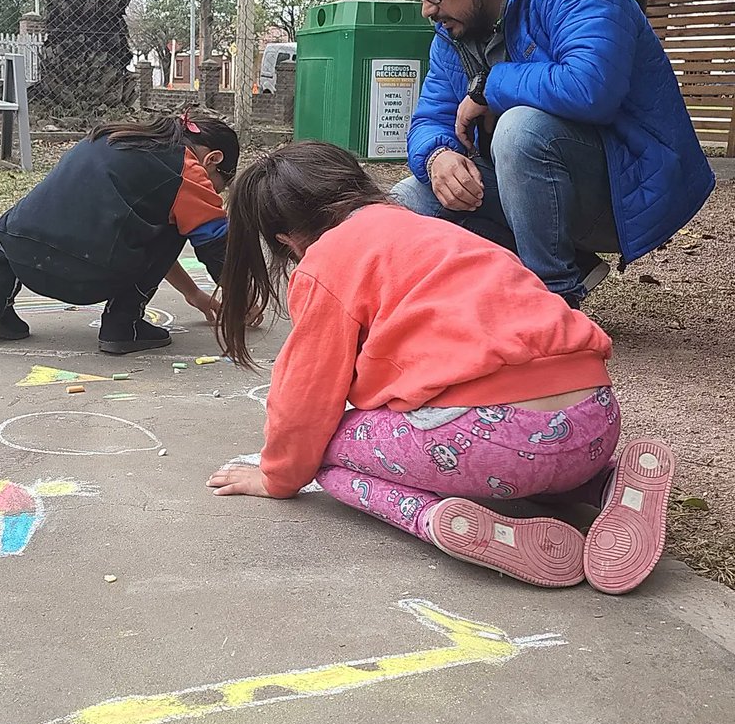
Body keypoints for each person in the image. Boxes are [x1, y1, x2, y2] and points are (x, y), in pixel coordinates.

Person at [207, 141, 675, 593]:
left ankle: (437, 521)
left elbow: (305, 399)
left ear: (287, 239)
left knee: (322, 450)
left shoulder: (326, 261)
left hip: (499, 443)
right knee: (528, 447)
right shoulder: (440, 232)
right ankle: (610, 485)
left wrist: (279, 475)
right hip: (594, 421)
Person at [390, 0, 714, 307]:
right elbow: (429, 121)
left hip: (626, 187)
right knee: (412, 198)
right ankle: (558, 270)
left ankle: (553, 301)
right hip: (535, 195)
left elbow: (592, 86)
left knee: (519, 130)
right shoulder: (454, 33)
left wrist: (491, 86)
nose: (426, 10)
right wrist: (438, 157)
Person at [0, 111, 238, 354]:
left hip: (22, 254)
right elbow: (217, 250)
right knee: (177, 224)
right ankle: (123, 324)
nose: (213, 192)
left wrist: (194, 294)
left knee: (33, 223)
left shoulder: (112, 136)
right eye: (218, 186)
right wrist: (240, 301)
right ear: (212, 160)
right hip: (88, 277)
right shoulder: (186, 171)